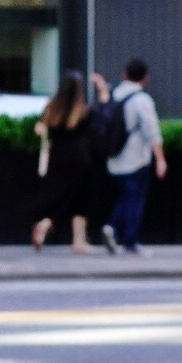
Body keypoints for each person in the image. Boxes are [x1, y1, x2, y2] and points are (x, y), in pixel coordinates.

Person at [28, 70, 107, 251]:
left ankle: (75, 240)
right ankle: (64, 233)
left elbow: (41, 126)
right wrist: (102, 96)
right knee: (80, 198)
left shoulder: (52, 107)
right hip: (79, 158)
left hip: (57, 157)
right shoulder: (82, 109)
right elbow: (97, 124)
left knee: (63, 194)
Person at [101, 57, 168, 257]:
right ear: (145, 78)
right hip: (136, 158)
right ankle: (127, 239)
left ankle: (112, 227)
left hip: (113, 157)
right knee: (134, 199)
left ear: (124, 74)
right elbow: (152, 131)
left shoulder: (113, 95)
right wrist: (161, 159)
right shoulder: (142, 100)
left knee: (124, 196)